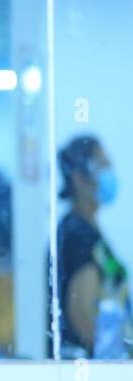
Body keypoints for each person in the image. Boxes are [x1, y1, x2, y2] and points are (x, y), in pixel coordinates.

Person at [52, 135, 128, 358]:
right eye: (103, 165)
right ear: (79, 177)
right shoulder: (78, 235)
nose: (110, 172)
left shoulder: (87, 230)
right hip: (89, 369)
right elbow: (81, 314)